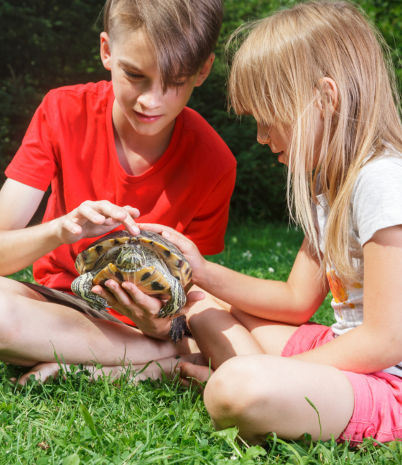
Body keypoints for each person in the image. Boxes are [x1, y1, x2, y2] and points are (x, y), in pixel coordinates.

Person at [141, 0, 402, 446]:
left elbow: (386, 340)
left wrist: (280, 372)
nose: (261, 137)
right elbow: (296, 300)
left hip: (388, 384)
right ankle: (254, 380)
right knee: (204, 307)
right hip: (347, 353)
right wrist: (200, 271)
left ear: (325, 98)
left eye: (268, 118)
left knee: (236, 387)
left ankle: (240, 379)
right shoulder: (332, 186)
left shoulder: (381, 180)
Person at [0, 0, 236, 384]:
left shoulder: (214, 161)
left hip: (149, 324)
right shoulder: (63, 111)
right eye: (135, 75)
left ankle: (99, 363)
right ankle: (153, 363)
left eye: (175, 81)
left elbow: (193, 296)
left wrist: (162, 326)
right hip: (61, 307)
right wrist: (62, 230)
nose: (151, 101)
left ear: (203, 70)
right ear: (107, 51)